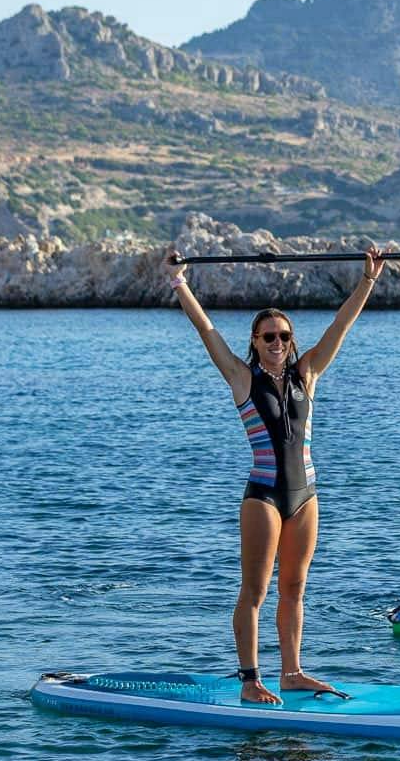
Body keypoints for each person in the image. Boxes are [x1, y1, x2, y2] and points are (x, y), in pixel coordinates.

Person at [165, 244, 385, 702]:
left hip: (306, 495)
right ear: (254, 342)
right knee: (256, 589)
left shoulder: (308, 374)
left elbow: (340, 327)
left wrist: (367, 280)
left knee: (295, 587)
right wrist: (179, 281)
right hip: (263, 494)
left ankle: (292, 672)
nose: (278, 343)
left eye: (284, 335)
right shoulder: (241, 378)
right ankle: (250, 679)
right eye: (268, 337)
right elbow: (206, 330)